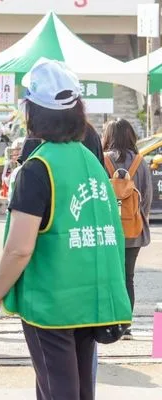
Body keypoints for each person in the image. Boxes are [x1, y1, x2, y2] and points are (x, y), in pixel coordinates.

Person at [0, 59, 132, 400]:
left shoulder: (37, 169)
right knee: (78, 388)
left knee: (58, 390)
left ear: (31, 112)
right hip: (90, 300)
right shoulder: (91, 162)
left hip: (50, 303)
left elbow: (19, 249)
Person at [102, 118, 152, 340]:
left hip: (108, 232)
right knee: (128, 277)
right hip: (133, 231)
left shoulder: (102, 161)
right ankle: (126, 325)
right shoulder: (140, 162)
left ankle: (109, 323)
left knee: (109, 277)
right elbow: (147, 198)